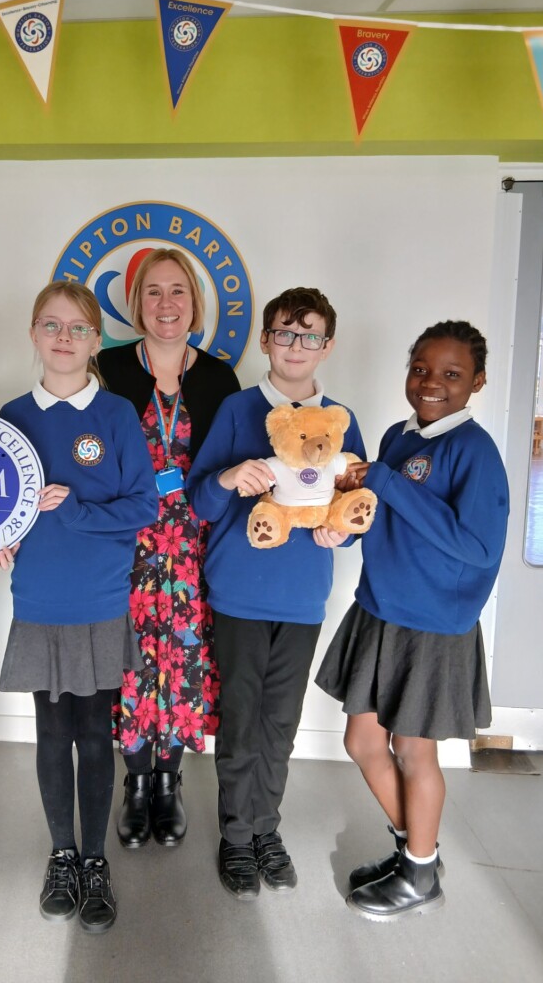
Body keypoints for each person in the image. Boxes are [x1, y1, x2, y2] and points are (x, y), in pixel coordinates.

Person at [315, 320, 509, 921]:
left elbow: (478, 547)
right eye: (421, 369)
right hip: (380, 609)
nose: (431, 383)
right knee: (362, 740)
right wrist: (344, 524)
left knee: (413, 750)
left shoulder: (474, 451)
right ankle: (417, 853)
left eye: (451, 374)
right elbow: (381, 512)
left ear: (477, 382)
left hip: (432, 624)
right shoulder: (398, 438)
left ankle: (420, 873)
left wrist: (389, 482)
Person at [186, 286, 366, 900]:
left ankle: (267, 827)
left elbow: (354, 507)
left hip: (302, 596)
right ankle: (237, 836)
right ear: (265, 341)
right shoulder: (238, 410)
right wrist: (230, 477)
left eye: (309, 335)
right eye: (285, 333)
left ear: (327, 346)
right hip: (239, 592)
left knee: (280, 722)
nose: (296, 345)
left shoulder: (340, 419)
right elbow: (200, 500)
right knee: (241, 720)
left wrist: (340, 533)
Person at [0, 281, 157, 933]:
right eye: (51, 325)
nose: (63, 338)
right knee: (50, 733)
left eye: (78, 328)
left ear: (95, 341)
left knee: (93, 734)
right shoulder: (11, 416)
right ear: (33, 334)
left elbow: (143, 505)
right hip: (38, 599)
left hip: (98, 601)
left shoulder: (115, 415)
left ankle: (94, 861)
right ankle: (61, 855)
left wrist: (77, 509)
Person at [98, 247, 240, 848]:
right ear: (137, 303)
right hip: (127, 541)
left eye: (177, 290)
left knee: (183, 660)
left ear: (194, 303)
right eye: (153, 291)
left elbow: (231, 466)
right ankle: (135, 782)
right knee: (132, 662)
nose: (166, 303)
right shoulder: (107, 367)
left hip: (192, 547)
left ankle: (167, 782)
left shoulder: (218, 378)